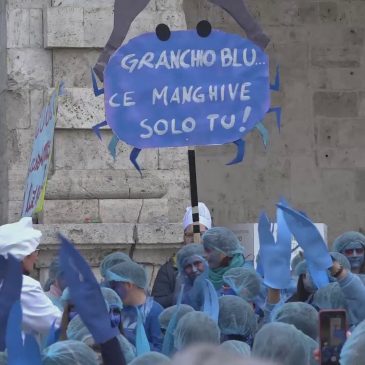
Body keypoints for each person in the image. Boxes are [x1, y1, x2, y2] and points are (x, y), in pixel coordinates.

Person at [0, 218, 61, 337]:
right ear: (23, 255)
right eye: (35, 252)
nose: (36, 258)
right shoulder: (23, 287)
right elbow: (55, 323)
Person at [152, 203, 212, 308]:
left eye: (200, 234)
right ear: (184, 238)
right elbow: (157, 304)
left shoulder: (216, 265)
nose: (195, 239)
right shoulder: (169, 270)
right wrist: (181, 296)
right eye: (190, 235)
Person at [106, 260, 163, 352]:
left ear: (128, 285)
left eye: (114, 286)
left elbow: (162, 353)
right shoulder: (117, 309)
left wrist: (132, 338)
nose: (112, 291)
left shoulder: (155, 312)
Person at [202, 227, 245, 294]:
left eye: (208, 250)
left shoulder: (245, 276)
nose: (204, 255)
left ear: (225, 252)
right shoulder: (205, 274)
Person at [174, 243, 208, 309]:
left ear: (206, 261)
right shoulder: (183, 297)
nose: (194, 270)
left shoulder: (221, 286)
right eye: (188, 266)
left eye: (197, 263)